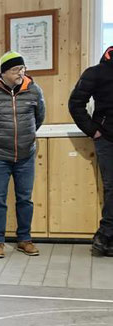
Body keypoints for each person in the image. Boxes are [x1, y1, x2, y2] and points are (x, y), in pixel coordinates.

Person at [0, 51, 45, 259]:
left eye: (22, 69)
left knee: (25, 199)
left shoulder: (34, 90)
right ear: (3, 73)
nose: (20, 73)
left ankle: (25, 239)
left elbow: (39, 117)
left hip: (26, 155)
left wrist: (27, 137)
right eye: (15, 70)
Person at [68, 46, 113, 256]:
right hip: (107, 137)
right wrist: (93, 130)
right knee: (112, 188)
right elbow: (76, 103)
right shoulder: (96, 72)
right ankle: (105, 237)